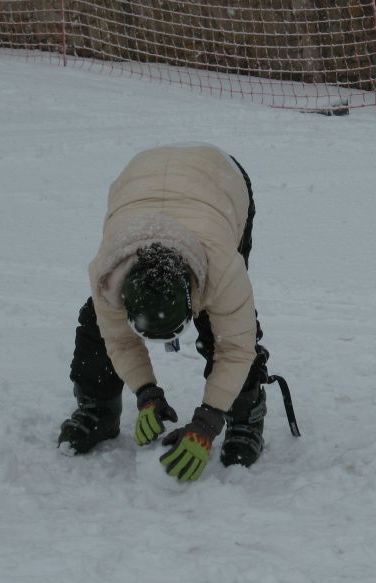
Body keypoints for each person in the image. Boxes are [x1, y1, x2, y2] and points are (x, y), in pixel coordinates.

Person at [58, 143, 271, 481]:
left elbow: (236, 346)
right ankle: (97, 406)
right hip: (142, 177)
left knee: (226, 327)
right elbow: (119, 339)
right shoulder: (108, 273)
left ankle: (245, 414)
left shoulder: (222, 268)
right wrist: (146, 393)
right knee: (98, 323)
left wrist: (207, 422)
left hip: (220, 179)